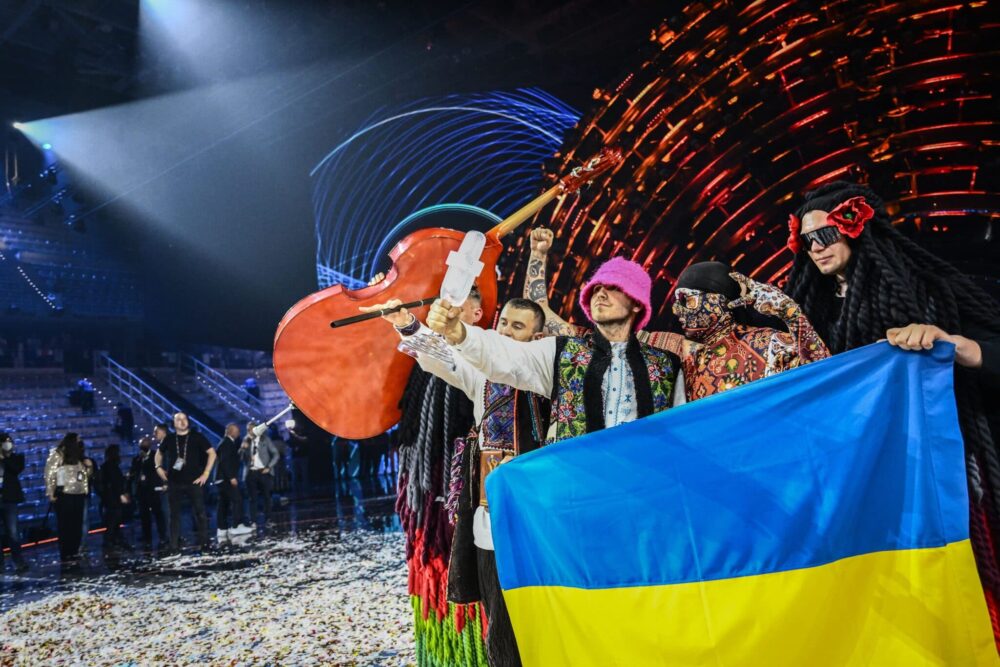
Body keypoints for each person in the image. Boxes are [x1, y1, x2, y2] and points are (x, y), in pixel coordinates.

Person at [784, 180, 1000, 632]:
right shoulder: (810, 312)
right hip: (859, 471)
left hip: (938, 461)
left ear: (856, 227)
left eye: (825, 235)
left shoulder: (929, 290)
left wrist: (953, 345)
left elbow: (990, 348)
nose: (816, 249)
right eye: (806, 242)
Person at [361, 296, 550, 666]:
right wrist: (406, 323)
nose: (506, 331)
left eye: (518, 326)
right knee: (500, 622)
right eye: (504, 323)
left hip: (539, 523)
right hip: (489, 518)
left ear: (538, 336)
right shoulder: (480, 374)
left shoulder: (548, 373)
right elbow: (442, 358)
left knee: (543, 619)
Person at [431, 257, 683, 442]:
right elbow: (505, 356)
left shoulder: (666, 365)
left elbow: (686, 429)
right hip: (577, 490)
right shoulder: (562, 352)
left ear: (637, 303)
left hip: (643, 492)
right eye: (596, 289)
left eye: (613, 288)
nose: (600, 294)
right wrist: (458, 332)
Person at [670, 261, 829, 400]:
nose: (676, 310)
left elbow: (826, 379)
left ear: (719, 299)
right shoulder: (689, 365)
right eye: (675, 302)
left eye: (686, 299)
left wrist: (791, 314)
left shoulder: (768, 344)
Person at [155, 413, 216, 552]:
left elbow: (212, 453)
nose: (182, 422)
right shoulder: (169, 438)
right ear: (174, 423)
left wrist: (206, 473)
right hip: (174, 482)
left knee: (200, 512)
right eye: (178, 419)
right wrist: (158, 467)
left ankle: (204, 542)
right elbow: (159, 453)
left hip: (193, 481)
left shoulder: (196, 436)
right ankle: (174, 545)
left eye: (184, 419)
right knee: (174, 514)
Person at [45, 433, 92, 566]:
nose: (80, 443)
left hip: (79, 493)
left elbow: (85, 477)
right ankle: (66, 553)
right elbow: (50, 473)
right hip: (64, 494)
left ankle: (74, 551)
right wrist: (50, 492)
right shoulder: (58, 454)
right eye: (78, 440)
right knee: (66, 525)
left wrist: (89, 467)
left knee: (77, 525)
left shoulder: (80, 457)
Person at [216, 424, 252, 543]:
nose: (238, 433)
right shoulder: (227, 443)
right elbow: (225, 462)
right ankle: (236, 525)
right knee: (237, 500)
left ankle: (222, 528)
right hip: (226, 478)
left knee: (223, 504)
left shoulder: (227, 443)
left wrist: (241, 449)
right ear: (230, 432)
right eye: (237, 431)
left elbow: (233, 458)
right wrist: (231, 477)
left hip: (222, 479)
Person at [241, 421, 280, 529]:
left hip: (264, 472)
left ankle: (268, 519)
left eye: (251, 429)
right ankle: (253, 521)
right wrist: (243, 449)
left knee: (267, 497)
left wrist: (269, 467)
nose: (249, 431)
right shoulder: (245, 440)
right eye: (248, 429)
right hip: (251, 472)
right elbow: (240, 458)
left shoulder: (265, 439)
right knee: (252, 498)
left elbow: (276, 454)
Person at [130, 436, 167, 548]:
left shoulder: (155, 455)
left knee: (158, 513)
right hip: (142, 490)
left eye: (145, 443)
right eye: (141, 444)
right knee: (144, 515)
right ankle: (147, 537)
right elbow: (133, 473)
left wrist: (164, 483)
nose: (143, 446)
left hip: (153, 488)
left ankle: (162, 536)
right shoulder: (136, 459)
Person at [0, 432, 29, 573]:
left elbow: (16, 469)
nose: (8, 443)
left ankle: (18, 561)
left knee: (13, 532)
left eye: (9, 441)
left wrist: (5, 458)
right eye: (5, 441)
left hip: (10, 499)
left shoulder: (16, 457)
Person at [99, 445, 130, 553]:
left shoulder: (107, 466)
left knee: (114, 521)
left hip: (110, 498)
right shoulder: (111, 467)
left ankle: (113, 540)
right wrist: (121, 494)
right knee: (113, 521)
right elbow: (115, 483)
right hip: (113, 498)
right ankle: (110, 541)